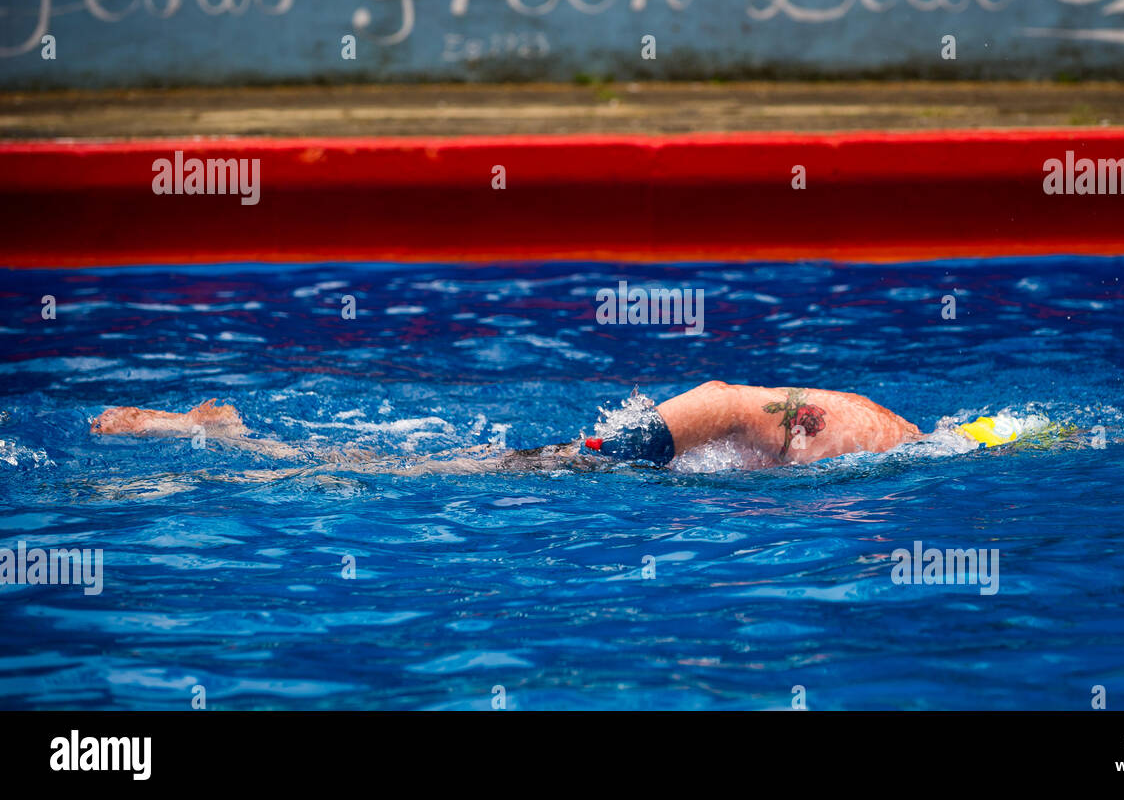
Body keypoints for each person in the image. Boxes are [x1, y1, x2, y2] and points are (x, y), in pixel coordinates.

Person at [90, 382, 1030, 474]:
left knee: (444, 468)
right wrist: (620, 451)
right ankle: (212, 434)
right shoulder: (869, 437)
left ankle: (224, 435)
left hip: (662, 450)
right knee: (433, 476)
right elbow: (734, 396)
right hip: (652, 447)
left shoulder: (890, 433)